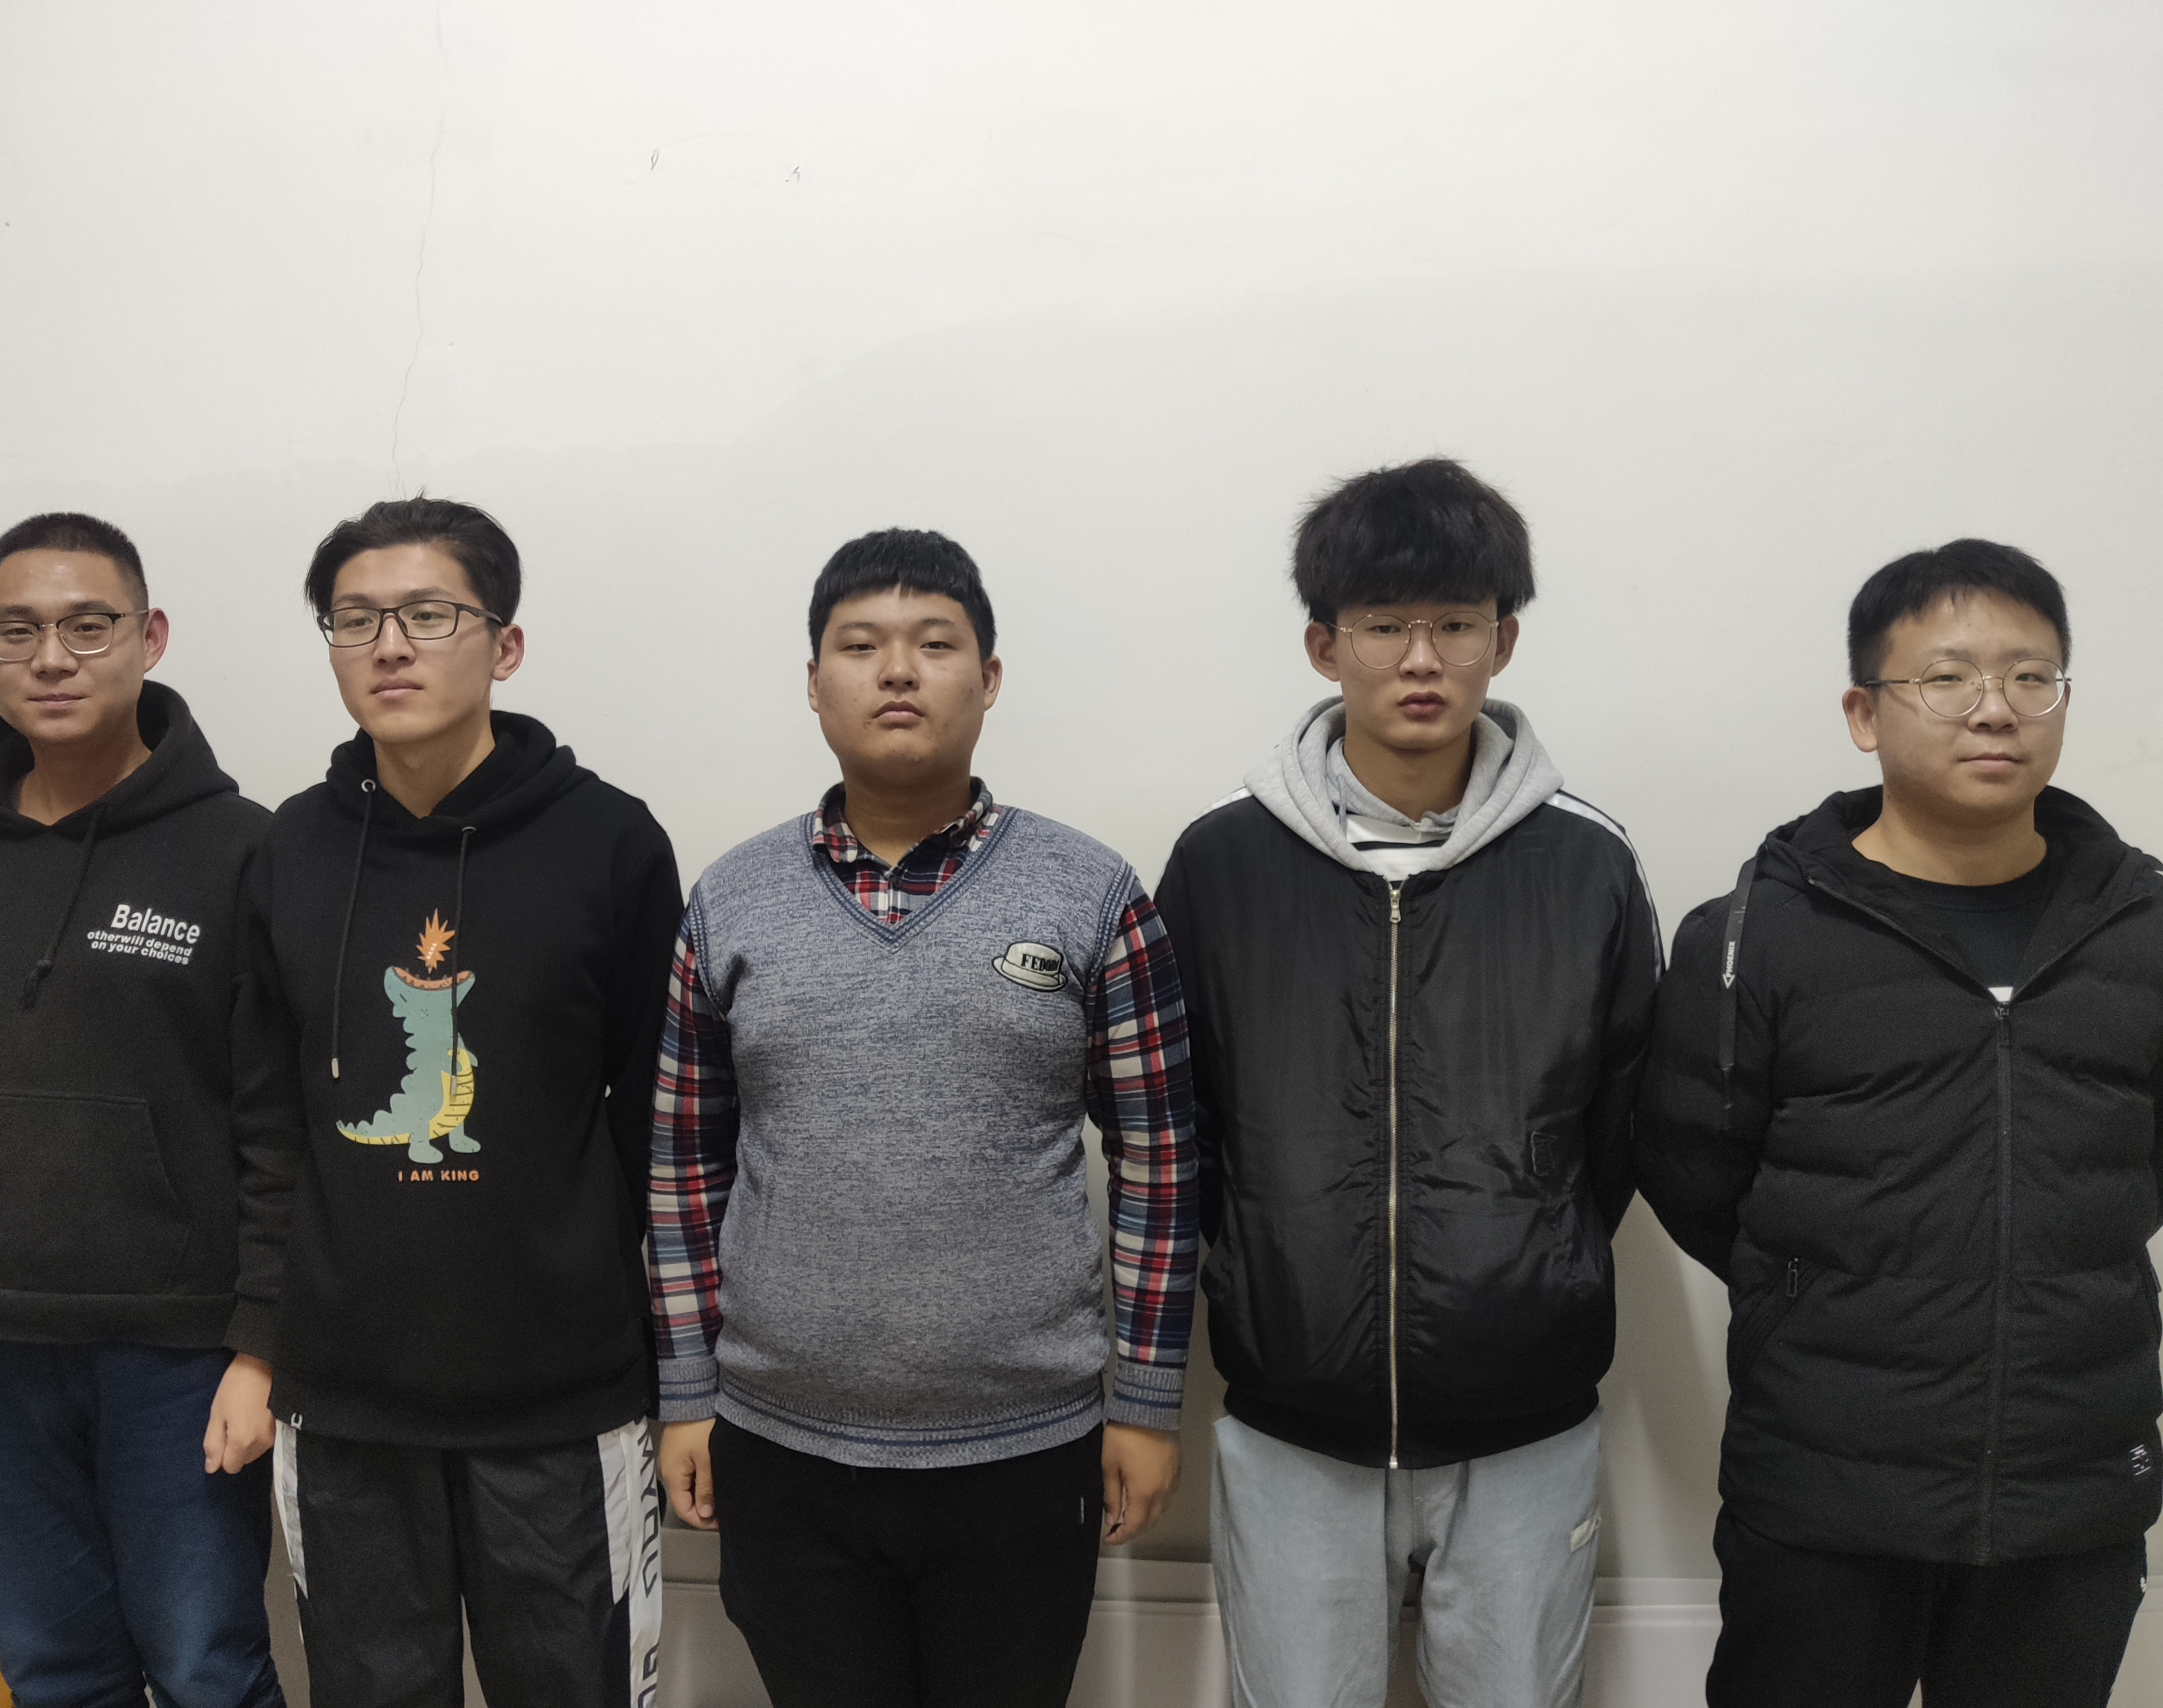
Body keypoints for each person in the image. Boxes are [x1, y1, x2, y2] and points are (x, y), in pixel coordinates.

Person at [649, 528, 1200, 1708]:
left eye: (934, 644)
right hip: (780, 1446)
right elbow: (683, 1167)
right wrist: (688, 1392)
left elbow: (1158, 1164)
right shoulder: (730, 899)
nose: (897, 671)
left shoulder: (1092, 892)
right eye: (860, 646)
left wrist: (1148, 1403)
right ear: (813, 685)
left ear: (988, 680)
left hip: (1027, 1449)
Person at [1154, 460, 1660, 1708]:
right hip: (1292, 1418)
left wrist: (1527, 1259)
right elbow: (1180, 1123)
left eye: (1455, 624)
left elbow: (1619, 1125)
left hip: (1525, 1418)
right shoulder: (1221, 863)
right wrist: (1266, 1260)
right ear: (1325, 646)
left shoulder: (1587, 865)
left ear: (1504, 641)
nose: (1421, 659)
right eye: (1384, 626)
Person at [1636, 541, 2159, 1708]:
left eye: (2031, 677)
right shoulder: (1751, 936)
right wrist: (1813, 1291)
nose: (1995, 709)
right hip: (1823, 1488)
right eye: (1947, 678)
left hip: (2069, 1488)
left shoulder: (2143, 928)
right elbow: (1692, 1174)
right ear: (1863, 714)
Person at [221, 498, 681, 1706]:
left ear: (504, 645)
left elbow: (661, 1116)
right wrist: (259, 1346)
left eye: (428, 615)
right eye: (355, 619)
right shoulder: (289, 852)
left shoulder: (611, 843)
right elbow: (269, 1124)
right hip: (345, 1400)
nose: (389, 645)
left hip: (560, 1398)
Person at [0, 514, 285, 1707]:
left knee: (207, 1667)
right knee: (54, 1672)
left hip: (178, 1351)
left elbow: (282, 1126)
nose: (50, 657)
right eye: (15, 631)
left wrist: (263, 1346)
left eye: (86, 626)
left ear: (149, 638)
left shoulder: (244, 852)